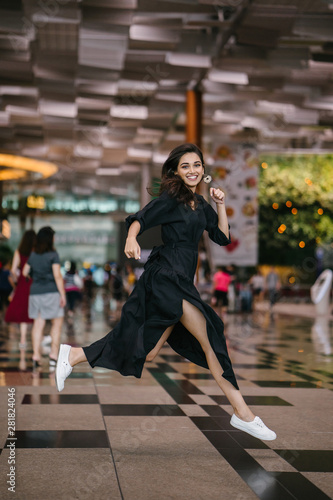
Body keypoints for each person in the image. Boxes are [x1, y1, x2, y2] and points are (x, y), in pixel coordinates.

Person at [56, 143, 276, 441]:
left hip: (181, 280)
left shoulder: (201, 205)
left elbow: (222, 237)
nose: (192, 171)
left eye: (197, 165)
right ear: (176, 171)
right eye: (185, 166)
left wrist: (222, 205)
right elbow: (139, 218)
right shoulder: (172, 198)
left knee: (147, 350)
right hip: (167, 277)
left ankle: (75, 355)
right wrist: (131, 239)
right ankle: (243, 413)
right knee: (212, 337)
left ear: (203, 168)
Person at [23, 226, 66, 370]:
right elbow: (57, 276)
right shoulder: (53, 254)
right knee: (57, 323)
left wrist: (34, 277)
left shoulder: (33, 254)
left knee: (38, 324)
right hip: (51, 292)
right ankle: (53, 355)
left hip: (35, 293)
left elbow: (24, 272)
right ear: (49, 239)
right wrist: (63, 295)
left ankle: (36, 355)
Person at [5, 229, 36, 350]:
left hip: (23, 283)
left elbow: (12, 271)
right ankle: (37, 337)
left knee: (23, 313)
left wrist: (16, 280)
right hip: (34, 283)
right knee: (35, 311)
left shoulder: (19, 251)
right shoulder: (35, 252)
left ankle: (22, 339)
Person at [64, 261, 83, 328]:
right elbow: (78, 282)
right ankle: (71, 312)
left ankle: (70, 311)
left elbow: (64, 280)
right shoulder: (75, 273)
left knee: (69, 300)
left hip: (67, 289)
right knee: (72, 301)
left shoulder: (67, 273)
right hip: (74, 289)